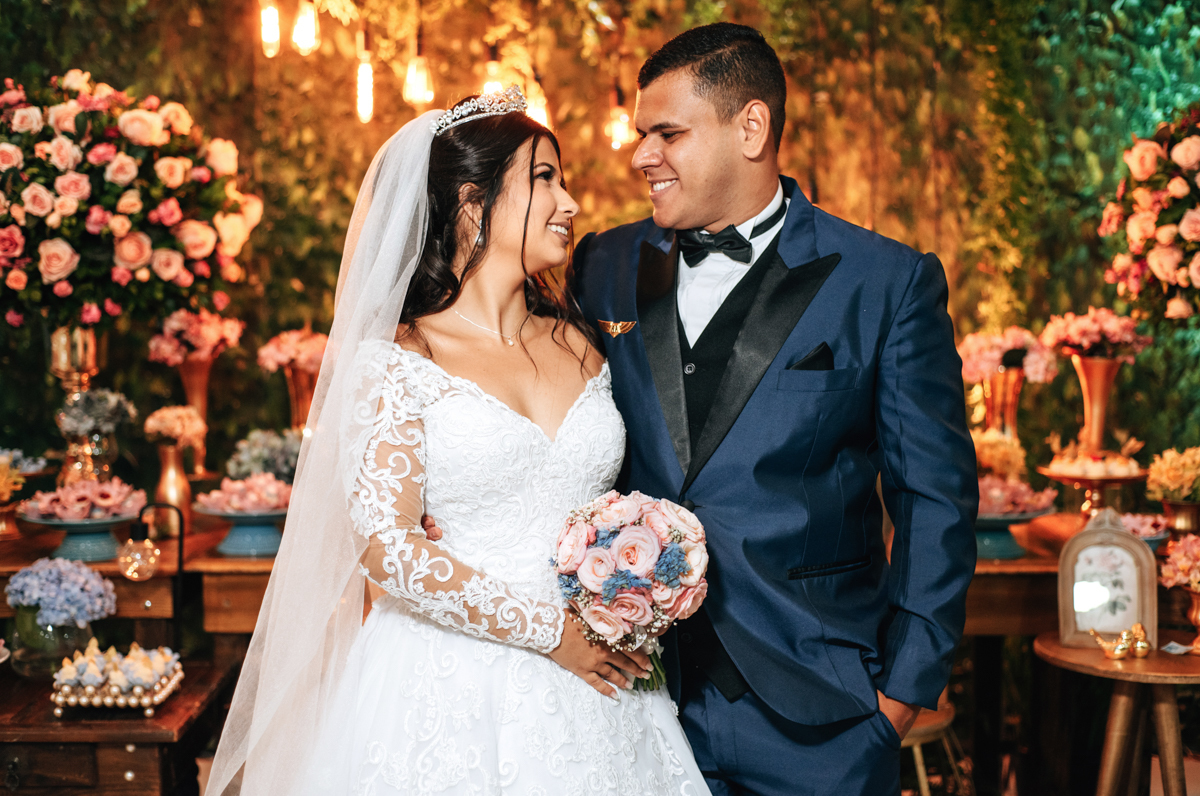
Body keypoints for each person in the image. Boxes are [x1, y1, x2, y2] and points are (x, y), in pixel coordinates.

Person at [206, 88, 711, 795]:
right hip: (447, 684)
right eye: (544, 179)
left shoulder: (582, 341)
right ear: (473, 201)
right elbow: (386, 549)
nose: (569, 203)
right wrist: (549, 633)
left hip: (605, 682)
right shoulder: (398, 359)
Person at [572, 23, 979, 795]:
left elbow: (936, 499)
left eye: (667, 133)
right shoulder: (602, 265)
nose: (640, 156)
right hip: (632, 705)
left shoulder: (886, 283)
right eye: (641, 134)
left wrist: (896, 698)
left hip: (823, 716)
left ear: (750, 127)